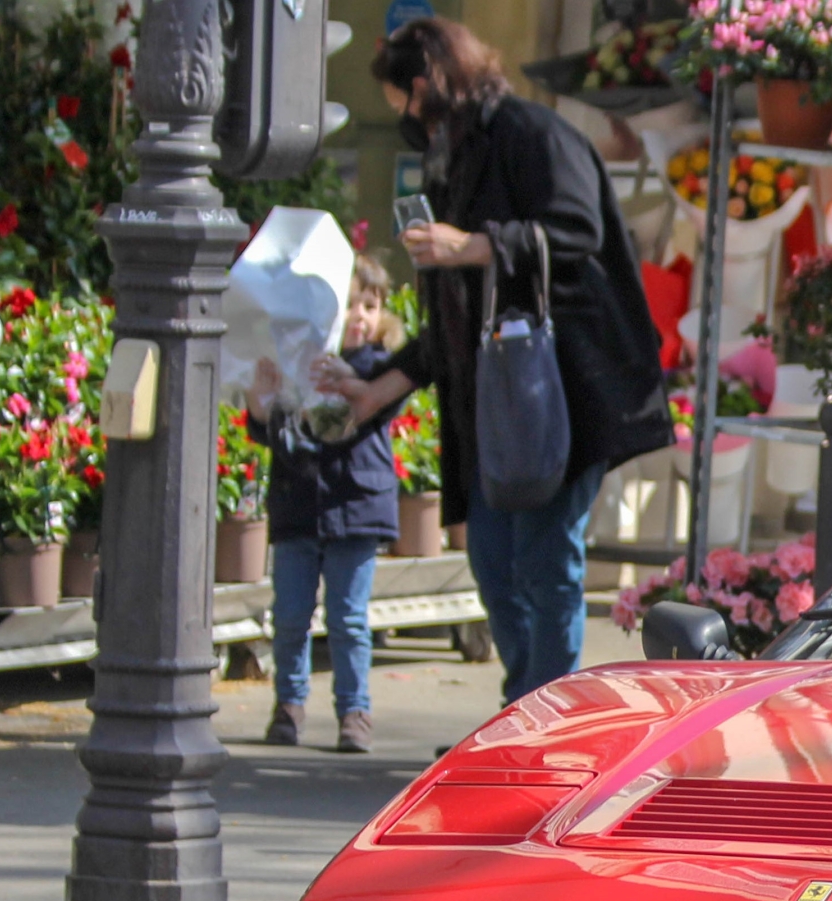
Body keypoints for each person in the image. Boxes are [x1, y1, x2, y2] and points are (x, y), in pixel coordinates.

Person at [323, 17, 672, 704]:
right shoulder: (452, 151)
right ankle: (525, 707)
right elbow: (450, 318)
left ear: (421, 84)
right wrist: (377, 390)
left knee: (545, 564)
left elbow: (579, 228)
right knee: (493, 564)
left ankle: (544, 722)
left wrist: (472, 246)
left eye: (399, 99)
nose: (400, 117)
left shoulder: (532, 134)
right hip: (490, 400)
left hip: (559, 391)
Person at [249, 251, 402, 753]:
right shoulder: (299, 360)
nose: (360, 315)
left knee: (348, 619)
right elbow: (270, 429)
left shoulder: (381, 369)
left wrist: (344, 380)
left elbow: (348, 421)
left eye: (370, 305)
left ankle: (354, 712)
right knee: (290, 614)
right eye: (350, 304)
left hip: (355, 507)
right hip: (297, 504)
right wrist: (262, 403)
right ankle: (289, 707)